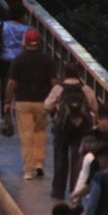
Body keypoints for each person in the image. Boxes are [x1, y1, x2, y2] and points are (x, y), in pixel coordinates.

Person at [6, 28, 55, 180]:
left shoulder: (18, 60)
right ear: (39, 42)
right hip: (42, 102)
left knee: (27, 136)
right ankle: (39, 164)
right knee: (40, 133)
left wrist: (8, 101)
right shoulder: (47, 60)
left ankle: (29, 169)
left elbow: (12, 83)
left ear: (25, 42)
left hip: (23, 102)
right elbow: (54, 82)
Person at [44, 65, 98, 199]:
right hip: (81, 129)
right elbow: (94, 107)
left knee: (60, 158)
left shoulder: (59, 89)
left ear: (64, 74)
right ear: (79, 75)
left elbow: (47, 105)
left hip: (62, 129)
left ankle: (58, 190)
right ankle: (75, 190)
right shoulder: (85, 89)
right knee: (77, 159)